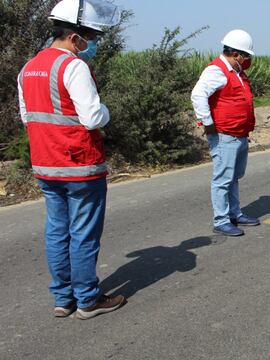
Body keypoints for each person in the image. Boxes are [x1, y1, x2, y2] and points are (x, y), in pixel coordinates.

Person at [17, 0, 125, 319]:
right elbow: (92, 117)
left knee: (57, 231)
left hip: (45, 164)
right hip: (79, 165)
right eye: (90, 36)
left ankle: (63, 299)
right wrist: (106, 110)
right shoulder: (73, 66)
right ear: (74, 36)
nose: (92, 43)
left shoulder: (29, 67)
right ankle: (88, 299)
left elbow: (28, 116)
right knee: (83, 233)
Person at [191, 29, 260, 237]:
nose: (247, 60)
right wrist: (208, 123)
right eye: (246, 55)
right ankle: (221, 220)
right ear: (236, 54)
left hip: (239, 134)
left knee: (234, 177)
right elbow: (198, 94)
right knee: (222, 178)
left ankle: (234, 213)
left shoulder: (237, 72)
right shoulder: (217, 71)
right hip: (224, 135)